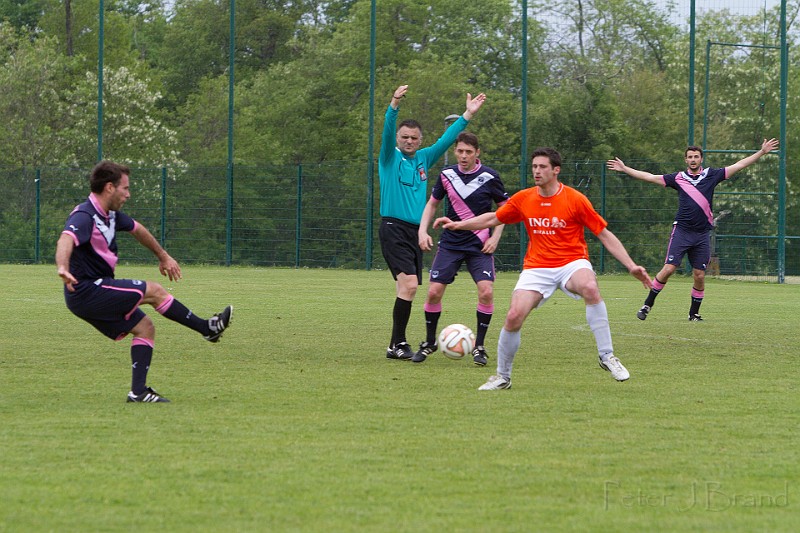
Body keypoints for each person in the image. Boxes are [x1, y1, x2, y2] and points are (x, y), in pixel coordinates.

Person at [435, 147, 652, 390]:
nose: (536, 171)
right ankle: (502, 377)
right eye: (534, 166)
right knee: (513, 316)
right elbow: (492, 218)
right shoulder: (524, 198)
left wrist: (631, 266)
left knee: (589, 286)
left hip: (572, 262)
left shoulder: (575, 199)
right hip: (537, 267)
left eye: (542, 167)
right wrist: (458, 224)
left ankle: (607, 356)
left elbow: (604, 234)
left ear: (555, 170)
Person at [55, 160, 233, 403]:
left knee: (145, 327)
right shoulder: (86, 215)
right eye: (125, 188)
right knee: (154, 291)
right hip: (86, 290)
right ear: (109, 187)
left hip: (94, 290)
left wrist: (163, 256)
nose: (128, 194)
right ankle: (208, 328)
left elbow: (138, 229)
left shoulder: (111, 215)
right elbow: (66, 239)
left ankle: (138, 392)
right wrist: (63, 267)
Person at [607, 138, 778, 321]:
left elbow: (739, 165)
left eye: (696, 156)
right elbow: (649, 176)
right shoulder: (678, 178)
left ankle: (693, 314)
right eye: (690, 157)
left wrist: (761, 152)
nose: (693, 159)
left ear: (701, 159)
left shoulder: (712, 175)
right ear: (686, 160)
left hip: (702, 234)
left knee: (699, 275)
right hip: (682, 232)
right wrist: (625, 169)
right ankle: (647, 305)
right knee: (669, 269)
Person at [379, 84, 486, 360]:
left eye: (414, 137)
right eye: (405, 137)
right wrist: (394, 105)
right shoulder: (390, 158)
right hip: (392, 227)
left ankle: (395, 345)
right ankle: (397, 343)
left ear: (420, 139)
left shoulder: (425, 158)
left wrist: (467, 115)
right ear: (399, 139)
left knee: (406, 288)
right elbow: (387, 130)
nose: (410, 141)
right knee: (412, 285)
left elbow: (447, 140)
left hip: (415, 232)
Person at [412, 132, 509, 366]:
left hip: (479, 245)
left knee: (486, 292)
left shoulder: (489, 177)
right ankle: (429, 343)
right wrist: (422, 231)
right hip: (451, 243)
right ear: (455, 152)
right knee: (434, 292)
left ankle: (480, 347)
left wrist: (495, 237)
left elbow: (505, 210)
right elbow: (432, 204)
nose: (463, 156)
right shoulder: (447, 175)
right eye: (460, 151)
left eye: (468, 152)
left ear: (477, 153)